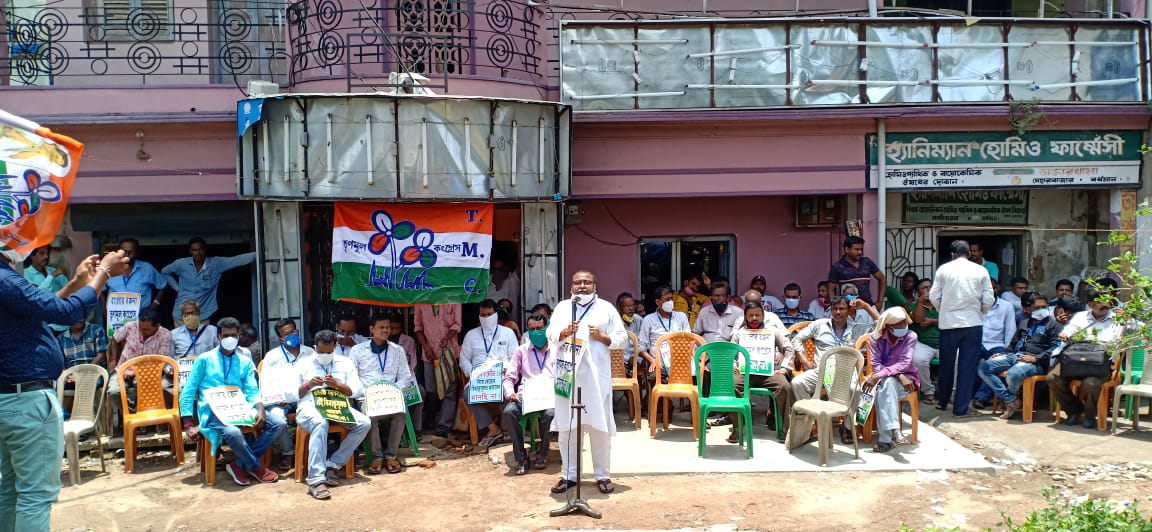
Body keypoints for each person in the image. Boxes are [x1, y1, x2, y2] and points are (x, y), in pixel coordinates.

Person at [0, 248, 126, 531]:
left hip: (9, 400)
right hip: (27, 401)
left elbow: (38, 314)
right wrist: (104, 273)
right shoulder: (5, 279)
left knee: (10, 489)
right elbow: (68, 312)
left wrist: (75, 284)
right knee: (35, 495)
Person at [547, 269, 625, 495]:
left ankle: (602, 475)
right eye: (578, 282)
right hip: (567, 375)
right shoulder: (563, 307)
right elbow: (550, 333)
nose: (582, 286)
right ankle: (569, 475)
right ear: (571, 286)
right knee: (567, 427)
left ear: (594, 285)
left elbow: (621, 339)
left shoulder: (606, 308)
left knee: (599, 427)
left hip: (596, 377)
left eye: (587, 282)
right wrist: (564, 332)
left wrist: (602, 337)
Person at [181, 317, 285, 486]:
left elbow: (252, 389)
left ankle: (239, 465)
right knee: (233, 432)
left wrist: (260, 408)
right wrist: (188, 424)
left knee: (278, 423)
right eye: (226, 335)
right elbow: (188, 391)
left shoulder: (244, 361)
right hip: (213, 411)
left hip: (240, 408)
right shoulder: (204, 360)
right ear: (219, 337)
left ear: (238, 336)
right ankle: (257, 467)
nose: (230, 339)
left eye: (233, 335)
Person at [294, 330, 371, 499]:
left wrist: (338, 385)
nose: (325, 355)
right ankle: (316, 480)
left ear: (335, 346)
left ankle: (333, 464)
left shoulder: (345, 363)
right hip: (310, 407)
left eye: (329, 352)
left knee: (364, 423)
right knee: (320, 422)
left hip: (337, 406)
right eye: (321, 352)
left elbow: (356, 390)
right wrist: (308, 385)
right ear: (315, 347)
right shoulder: (303, 364)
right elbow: (290, 394)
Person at [790, 295, 877, 443]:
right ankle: (811, 422)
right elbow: (796, 339)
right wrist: (804, 360)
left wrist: (866, 307)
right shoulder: (819, 325)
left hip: (846, 372)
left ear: (848, 310)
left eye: (842, 308)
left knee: (855, 390)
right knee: (797, 383)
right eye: (835, 309)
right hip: (821, 371)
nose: (838, 312)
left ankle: (847, 427)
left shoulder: (856, 327)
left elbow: (881, 325)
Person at [928, 240, 994, 417]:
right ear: (969, 253)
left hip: (948, 324)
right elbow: (989, 298)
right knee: (967, 367)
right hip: (973, 324)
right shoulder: (981, 270)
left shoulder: (944, 270)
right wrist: (980, 311)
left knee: (946, 364)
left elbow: (933, 296)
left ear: (952, 254)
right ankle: (960, 409)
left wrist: (944, 309)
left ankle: (942, 402)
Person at [348, 314, 415, 474]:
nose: (386, 330)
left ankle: (391, 455)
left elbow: (406, 376)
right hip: (368, 396)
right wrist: (367, 392)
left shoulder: (397, 350)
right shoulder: (357, 350)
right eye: (382, 327)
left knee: (400, 414)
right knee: (369, 416)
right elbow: (352, 377)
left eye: (388, 327)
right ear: (372, 329)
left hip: (391, 395)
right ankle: (377, 456)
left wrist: (394, 390)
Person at [977, 294, 1063, 419]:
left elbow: (1055, 348)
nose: (1041, 310)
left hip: (1035, 362)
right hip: (1014, 356)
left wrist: (1036, 358)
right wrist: (1003, 353)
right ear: (1029, 309)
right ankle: (1011, 400)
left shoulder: (1054, 325)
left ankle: (1009, 401)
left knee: (1013, 374)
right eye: (1037, 308)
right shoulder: (1024, 323)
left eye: (1044, 307)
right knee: (983, 367)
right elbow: (1014, 343)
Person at [1050, 289, 1123, 428]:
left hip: (1100, 363)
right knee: (1052, 378)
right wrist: (1065, 334)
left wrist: (1129, 319)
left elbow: (1142, 329)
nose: (1105, 304)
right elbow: (1070, 329)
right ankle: (1074, 411)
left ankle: (1089, 416)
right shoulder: (1080, 316)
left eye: (1107, 301)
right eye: (1099, 302)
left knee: (1091, 384)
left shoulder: (1118, 318)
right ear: (1090, 304)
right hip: (1077, 360)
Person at [724, 302, 796, 442]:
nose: (754, 318)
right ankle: (738, 428)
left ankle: (785, 428)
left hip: (768, 373)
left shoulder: (772, 331)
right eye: (751, 315)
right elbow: (731, 353)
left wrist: (785, 368)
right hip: (745, 373)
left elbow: (789, 349)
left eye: (757, 315)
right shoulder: (739, 334)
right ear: (745, 317)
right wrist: (733, 364)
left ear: (763, 316)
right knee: (732, 385)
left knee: (784, 387)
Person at [459, 299, 519, 448]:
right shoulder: (471, 335)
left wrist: (505, 368)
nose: (486, 318)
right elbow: (464, 358)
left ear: (496, 314)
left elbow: (515, 358)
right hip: (479, 378)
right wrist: (471, 372)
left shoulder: (508, 333)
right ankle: (492, 428)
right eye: (483, 315)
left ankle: (505, 425)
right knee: (467, 394)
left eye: (489, 314)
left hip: (501, 376)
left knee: (510, 391)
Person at [502, 314, 556, 475]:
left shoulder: (557, 350)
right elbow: (509, 377)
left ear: (547, 328)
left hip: (549, 396)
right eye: (531, 329)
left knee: (551, 414)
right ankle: (521, 458)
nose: (535, 332)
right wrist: (510, 392)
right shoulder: (521, 351)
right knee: (509, 411)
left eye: (539, 328)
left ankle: (542, 453)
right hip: (527, 395)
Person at [862, 307, 920, 453]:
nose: (903, 326)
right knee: (886, 385)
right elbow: (876, 364)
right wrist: (898, 375)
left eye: (904, 323)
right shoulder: (876, 338)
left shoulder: (911, 336)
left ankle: (886, 439)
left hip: (907, 381)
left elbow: (905, 363)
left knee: (884, 389)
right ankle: (894, 431)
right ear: (888, 326)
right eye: (898, 324)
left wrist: (886, 375)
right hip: (889, 379)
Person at [161, 237, 256, 325]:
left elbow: (236, 260)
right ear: (190, 251)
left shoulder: (216, 264)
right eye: (195, 250)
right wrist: (177, 288)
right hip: (181, 315)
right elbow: (165, 271)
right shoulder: (181, 264)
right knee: (182, 338)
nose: (198, 253)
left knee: (203, 338)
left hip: (203, 314)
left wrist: (258, 253)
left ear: (205, 249)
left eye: (200, 249)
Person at [260, 319, 314, 469]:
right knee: (278, 418)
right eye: (286, 334)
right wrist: (278, 396)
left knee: (316, 415)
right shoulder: (272, 356)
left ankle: (311, 451)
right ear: (280, 339)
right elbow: (265, 384)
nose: (291, 335)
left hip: (305, 397)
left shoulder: (310, 352)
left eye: (293, 332)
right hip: (281, 400)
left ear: (298, 331)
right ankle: (288, 453)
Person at [107, 308, 173, 417]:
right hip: (123, 369)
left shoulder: (165, 335)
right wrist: (113, 358)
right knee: (113, 391)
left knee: (143, 387)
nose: (142, 331)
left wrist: (135, 372)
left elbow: (162, 361)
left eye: (146, 330)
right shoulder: (130, 326)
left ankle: (140, 416)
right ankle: (131, 416)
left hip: (149, 373)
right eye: (141, 328)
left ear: (157, 326)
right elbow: (115, 338)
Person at [413, 303, 461, 438]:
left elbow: (457, 325)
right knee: (431, 390)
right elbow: (418, 328)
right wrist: (426, 347)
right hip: (429, 355)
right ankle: (430, 416)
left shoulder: (453, 300)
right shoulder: (421, 303)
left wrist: (447, 338)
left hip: (449, 353)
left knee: (450, 391)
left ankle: (444, 425)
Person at [638, 286, 691, 382]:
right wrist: (652, 360)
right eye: (667, 299)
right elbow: (641, 348)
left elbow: (689, 340)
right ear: (658, 302)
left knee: (698, 373)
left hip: (680, 361)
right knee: (654, 377)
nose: (671, 302)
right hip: (659, 363)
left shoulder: (681, 317)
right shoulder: (648, 320)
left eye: (671, 298)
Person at [104, 238, 168, 312]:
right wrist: (103, 309)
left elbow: (164, 285)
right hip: (115, 317)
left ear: (137, 253)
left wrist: (155, 304)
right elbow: (100, 290)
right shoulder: (110, 268)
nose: (127, 255)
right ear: (118, 252)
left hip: (141, 317)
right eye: (124, 251)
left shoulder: (147, 268)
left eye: (131, 252)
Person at [828, 235, 886, 308]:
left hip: (867, 308)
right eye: (856, 249)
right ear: (847, 249)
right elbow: (831, 289)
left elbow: (882, 279)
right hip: (848, 309)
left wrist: (880, 302)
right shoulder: (837, 267)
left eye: (861, 249)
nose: (860, 252)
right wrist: (835, 307)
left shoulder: (867, 262)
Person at [909, 278, 941, 405]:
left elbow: (950, 320)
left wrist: (933, 321)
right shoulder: (915, 305)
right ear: (918, 293)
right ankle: (929, 392)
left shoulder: (941, 303)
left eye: (929, 287)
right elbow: (919, 320)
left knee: (956, 357)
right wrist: (921, 302)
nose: (928, 290)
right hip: (923, 343)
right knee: (919, 360)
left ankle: (952, 392)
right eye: (924, 288)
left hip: (944, 342)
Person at [24, 245, 69, 333]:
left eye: (47, 253)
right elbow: (38, 296)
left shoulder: (53, 270)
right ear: (32, 256)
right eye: (42, 253)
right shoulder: (25, 274)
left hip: (64, 323)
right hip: (44, 326)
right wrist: (51, 276)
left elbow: (69, 289)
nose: (46, 256)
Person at [616, 292, 644, 375]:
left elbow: (644, 341)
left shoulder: (639, 320)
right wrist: (628, 359)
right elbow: (612, 346)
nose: (631, 308)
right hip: (622, 359)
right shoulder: (614, 322)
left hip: (638, 358)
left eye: (632, 305)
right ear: (619, 308)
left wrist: (637, 358)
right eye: (627, 306)